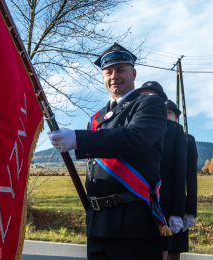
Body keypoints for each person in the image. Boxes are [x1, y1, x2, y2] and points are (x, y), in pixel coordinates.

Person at [48, 43, 169, 260]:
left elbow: (134, 139)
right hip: (97, 222)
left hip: (133, 221)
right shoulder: (97, 117)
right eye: (108, 72)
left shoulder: (149, 104)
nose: (114, 76)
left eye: (120, 70)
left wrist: (77, 138)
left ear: (133, 73)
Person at [138, 86, 187, 260]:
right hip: (135, 200)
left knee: (161, 253)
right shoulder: (131, 124)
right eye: (142, 96)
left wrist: (178, 212)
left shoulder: (174, 130)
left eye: (152, 97)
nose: (146, 100)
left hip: (162, 204)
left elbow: (180, 174)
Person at [165, 100, 198, 260]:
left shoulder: (187, 140)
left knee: (173, 250)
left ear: (176, 117)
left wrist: (190, 211)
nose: (165, 116)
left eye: (169, 113)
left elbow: (191, 178)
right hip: (157, 201)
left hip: (178, 204)